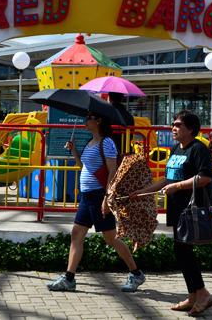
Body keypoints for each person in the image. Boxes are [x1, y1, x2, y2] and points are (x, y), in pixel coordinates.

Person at [46, 110, 146, 293]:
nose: (85, 121)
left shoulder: (106, 142)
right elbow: (84, 167)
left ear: (98, 121)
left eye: (88, 118)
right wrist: (75, 150)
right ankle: (69, 278)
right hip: (87, 197)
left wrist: (107, 198)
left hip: (100, 195)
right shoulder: (90, 143)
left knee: (110, 238)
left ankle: (136, 273)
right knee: (76, 234)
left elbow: (113, 171)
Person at [129, 110, 212, 316]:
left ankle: (202, 294)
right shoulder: (176, 148)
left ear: (191, 129)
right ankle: (193, 297)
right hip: (177, 210)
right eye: (173, 124)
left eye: (178, 125)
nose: (173, 128)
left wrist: (179, 186)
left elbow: (205, 178)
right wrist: (144, 191)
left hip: (191, 210)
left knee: (183, 252)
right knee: (181, 251)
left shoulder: (198, 148)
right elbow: (167, 179)